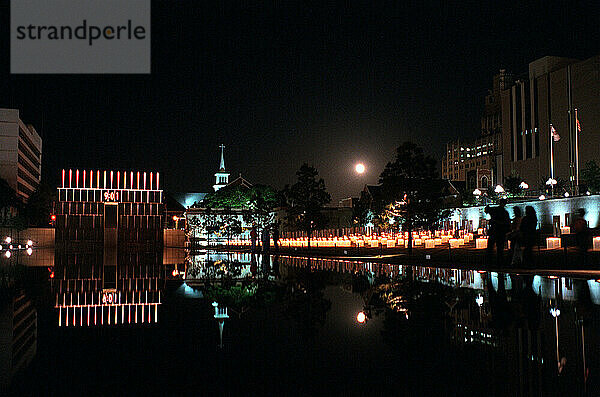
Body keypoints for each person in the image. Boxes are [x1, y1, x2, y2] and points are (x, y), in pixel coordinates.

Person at [485, 198, 510, 267]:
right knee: (499, 249)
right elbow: (507, 223)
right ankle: (499, 262)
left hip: (494, 231)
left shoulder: (495, 210)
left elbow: (487, 210)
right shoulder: (504, 212)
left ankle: (490, 262)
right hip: (500, 232)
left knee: (491, 248)